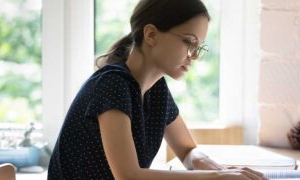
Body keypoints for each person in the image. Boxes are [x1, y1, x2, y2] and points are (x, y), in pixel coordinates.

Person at [48, 0, 267, 179]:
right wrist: (215, 178)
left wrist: (213, 166)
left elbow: (188, 150)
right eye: (189, 42)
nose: (194, 56)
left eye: (198, 47)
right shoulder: (113, 84)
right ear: (151, 34)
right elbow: (128, 177)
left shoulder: (156, 89)